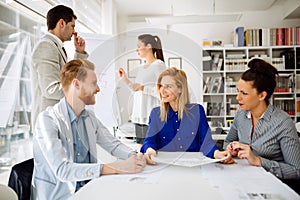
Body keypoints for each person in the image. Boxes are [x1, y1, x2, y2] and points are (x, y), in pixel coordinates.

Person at [31, 59, 146, 200]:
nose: (98, 89)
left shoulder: (89, 117)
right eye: (93, 84)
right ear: (76, 85)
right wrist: (119, 167)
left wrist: (134, 156)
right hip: (60, 196)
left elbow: (113, 145)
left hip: (89, 190)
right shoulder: (47, 120)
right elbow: (63, 170)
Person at [223, 58, 300, 180]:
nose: (237, 98)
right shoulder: (240, 115)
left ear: (262, 95)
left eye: (244, 93)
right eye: (238, 91)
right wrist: (230, 150)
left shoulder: (283, 122)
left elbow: (296, 171)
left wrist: (258, 160)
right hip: (244, 178)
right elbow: (227, 142)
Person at [140, 67, 234, 165]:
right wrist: (150, 150)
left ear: (180, 88)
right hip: (165, 166)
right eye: (161, 86)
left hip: (194, 167)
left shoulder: (197, 111)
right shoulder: (156, 114)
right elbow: (149, 140)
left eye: (168, 86)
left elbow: (206, 143)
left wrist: (218, 154)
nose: (162, 91)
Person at [31, 5, 88, 129]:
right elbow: (51, 89)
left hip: (55, 121)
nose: (74, 32)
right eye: (72, 26)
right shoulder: (46, 46)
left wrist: (79, 53)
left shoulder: (55, 46)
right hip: (48, 124)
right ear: (62, 23)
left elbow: (68, 77)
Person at [118, 34, 166, 144]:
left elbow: (163, 91)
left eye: (139, 46)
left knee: (152, 152)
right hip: (138, 116)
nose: (136, 50)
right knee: (141, 151)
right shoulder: (143, 67)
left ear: (148, 46)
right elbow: (137, 91)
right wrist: (125, 79)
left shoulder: (158, 65)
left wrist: (144, 88)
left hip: (151, 117)